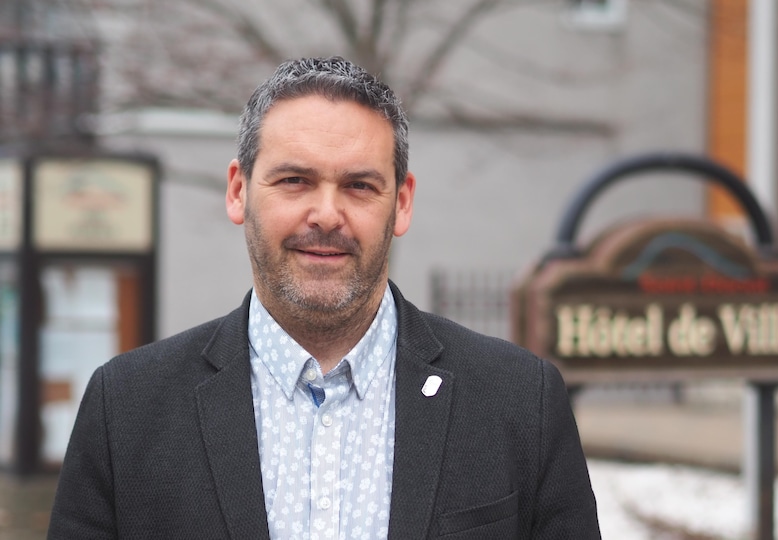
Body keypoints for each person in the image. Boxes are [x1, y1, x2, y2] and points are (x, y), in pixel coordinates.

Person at [48, 56, 600, 540]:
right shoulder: (126, 410)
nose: (327, 215)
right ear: (239, 191)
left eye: (360, 185)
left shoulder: (520, 403)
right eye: (294, 180)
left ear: (402, 203)